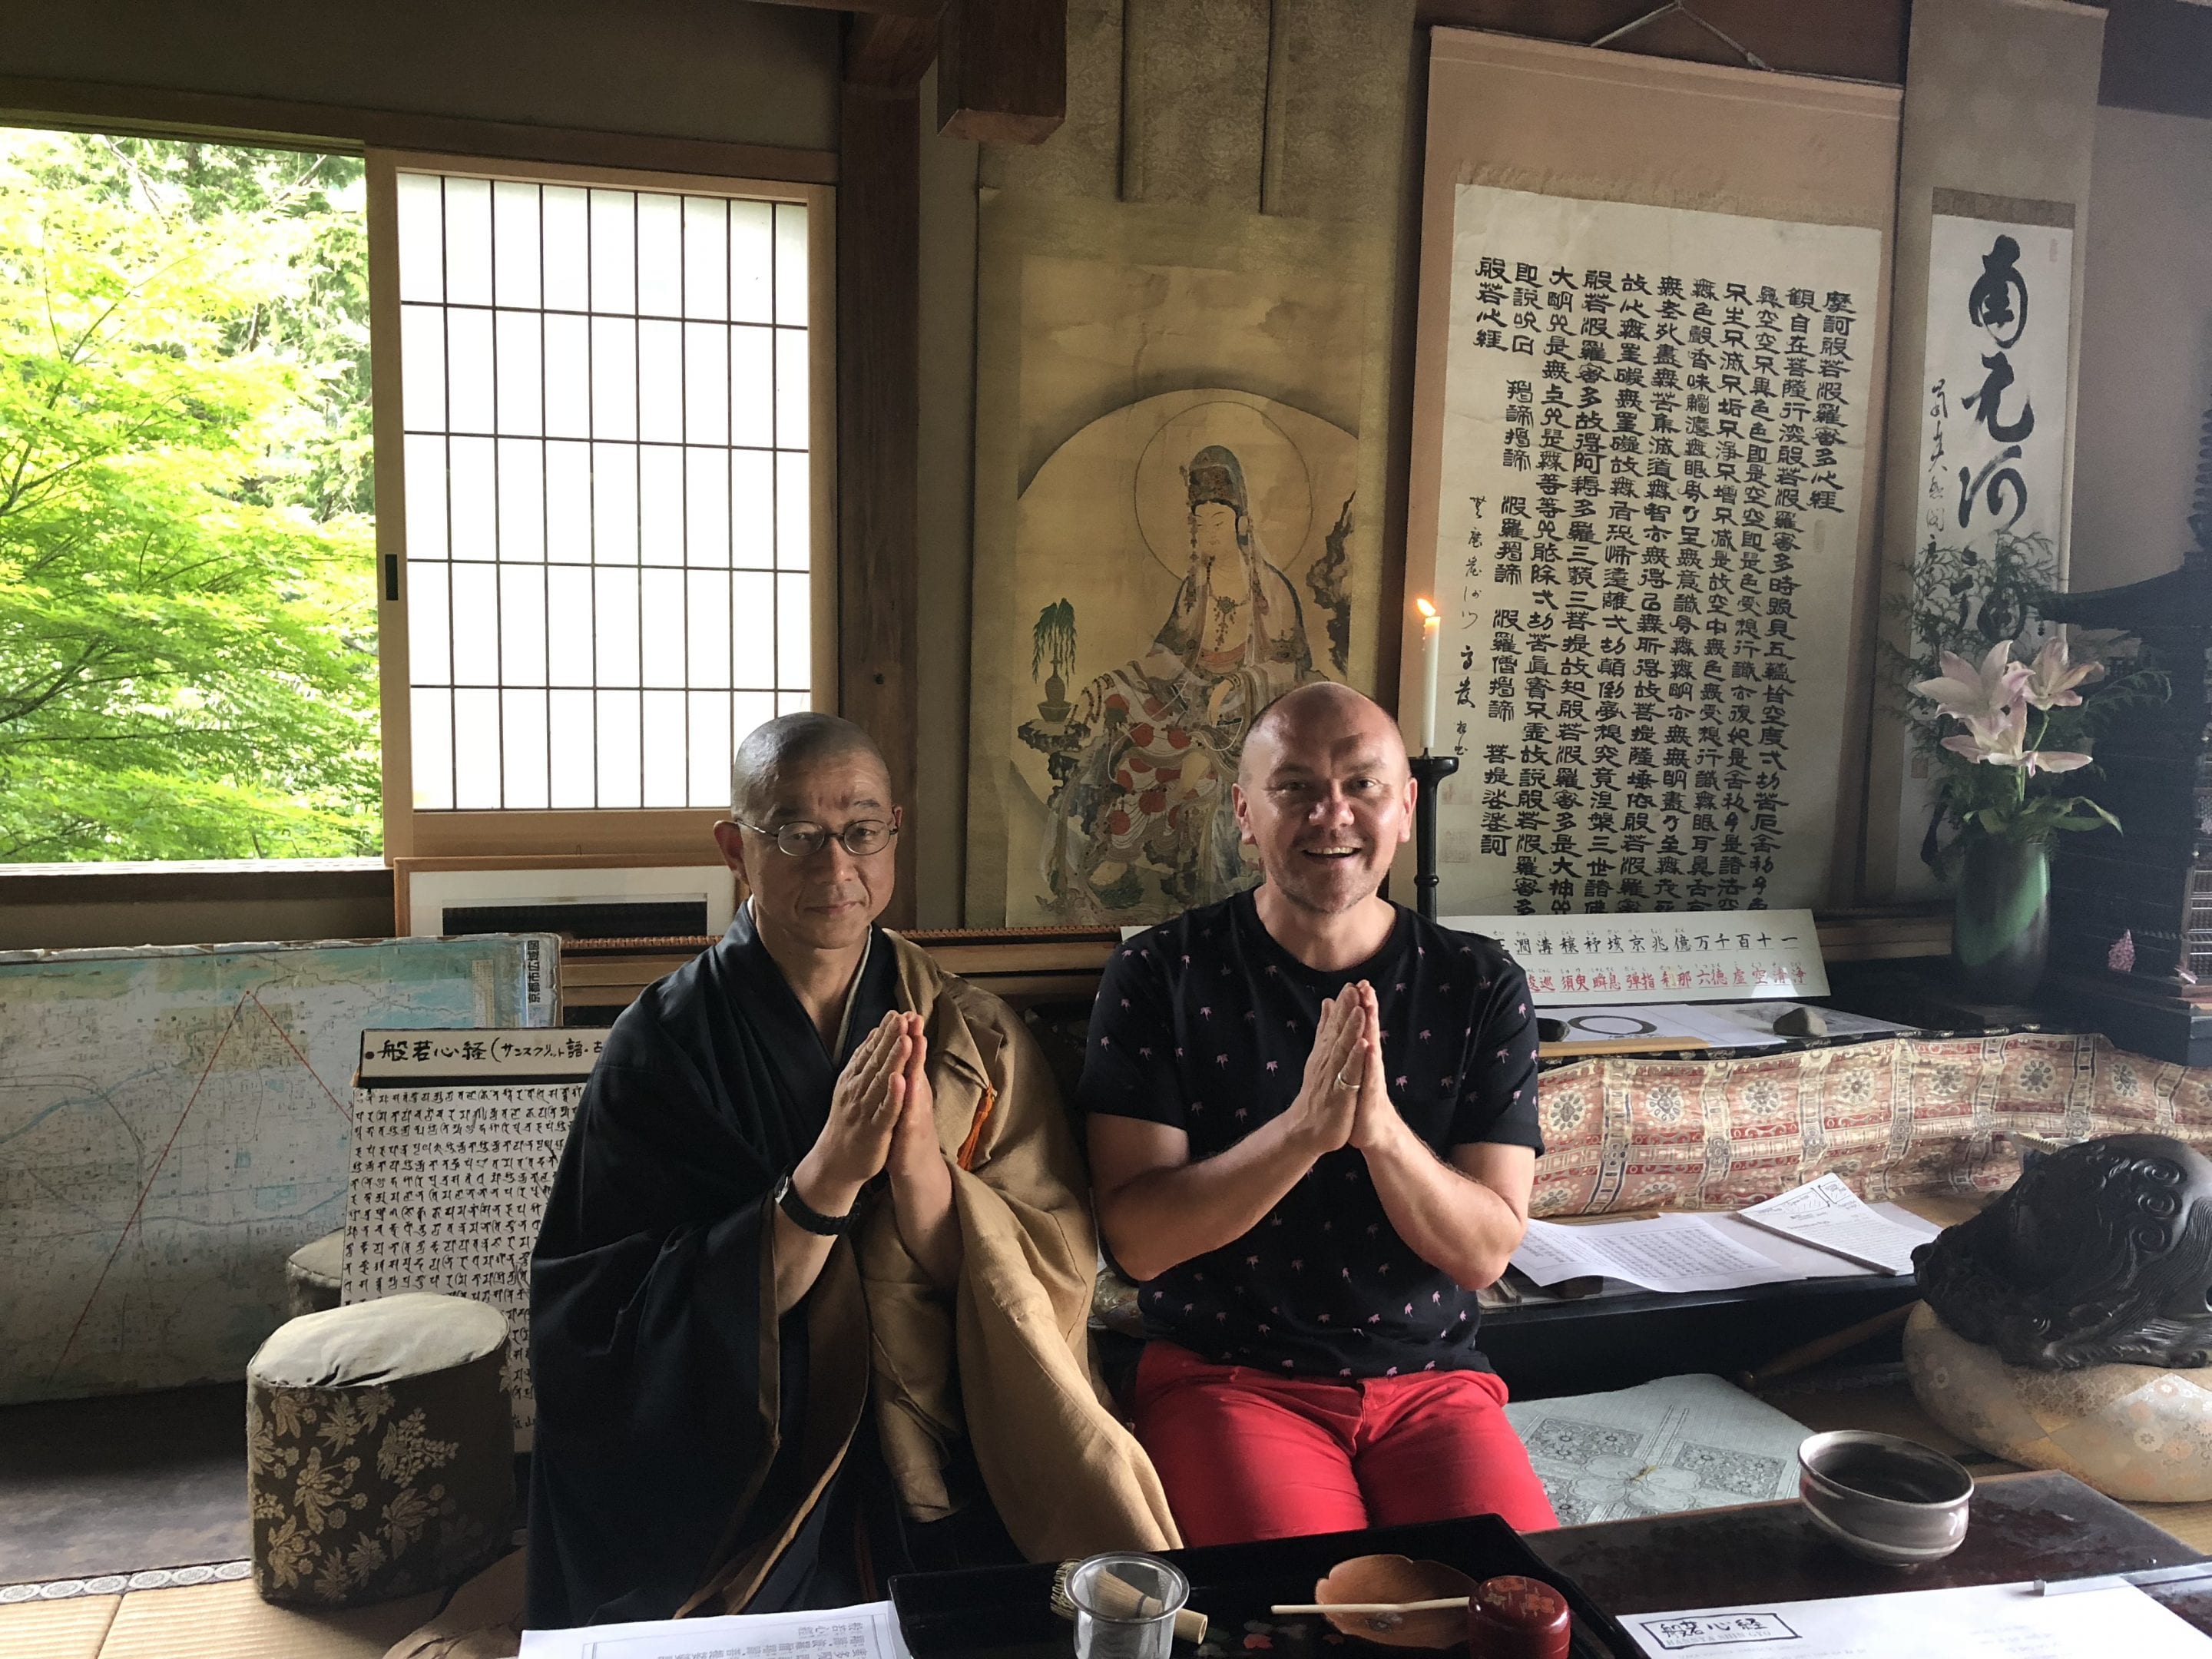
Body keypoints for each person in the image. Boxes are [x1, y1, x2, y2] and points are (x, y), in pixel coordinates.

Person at [528, 714, 1175, 1630]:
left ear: (894, 834)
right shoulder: (661, 1050)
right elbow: (604, 1318)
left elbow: (1058, 1265)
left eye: (863, 831)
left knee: (1040, 1607)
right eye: (796, 833)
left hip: (952, 1419)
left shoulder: (969, 1033)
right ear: (735, 848)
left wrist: (920, 1172)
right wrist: (823, 1183)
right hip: (754, 1444)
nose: (837, 867)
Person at [1079, 681, 1557, 1546]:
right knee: (1294, 1620)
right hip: (1230, 1376)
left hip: (1432, 1384)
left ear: (1405, 807)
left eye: (1363, 786)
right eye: (1294, 787)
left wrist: (1378, 1134)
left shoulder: (1479, 984)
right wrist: (1300, 1132)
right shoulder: (1162, 975)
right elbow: (1139, 1243)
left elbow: (1485, 1252)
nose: (1332, 815)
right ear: (1245, 813)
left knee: (1516, 1607)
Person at [1038, 443, 1322, 919]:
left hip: (1248, 726)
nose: (1206, 531)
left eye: (1217, 521)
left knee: (1196, 770)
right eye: (1199, 522)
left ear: (1240, 521)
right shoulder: (1195, 586)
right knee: (1129, 752)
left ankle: (1185, 882)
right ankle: (1118, 863)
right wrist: (1114, 681)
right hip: (1190, 708)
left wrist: (1239, 684)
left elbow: (1291, 670)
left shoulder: (1270, 590)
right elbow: (1168, 658)